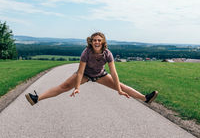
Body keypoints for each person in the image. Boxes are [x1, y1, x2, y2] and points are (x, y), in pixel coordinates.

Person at [25, 32, 158, 106]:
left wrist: (118, 90)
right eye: (94, 40)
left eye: (99, 40)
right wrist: (77, 87)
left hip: (101, 75)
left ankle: (145, 98)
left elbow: (114, 73)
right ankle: (37, 99)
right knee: (64, 86)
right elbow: (81, 71)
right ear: (91, 42)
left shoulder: (108, 53)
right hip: (85, 75)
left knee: (122, 86)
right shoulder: (86, 52)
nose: (96, 42)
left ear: (103, 42)